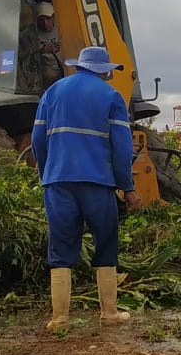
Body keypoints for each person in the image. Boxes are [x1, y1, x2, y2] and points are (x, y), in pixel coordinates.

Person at [31, 46, 141, 331]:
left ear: (79, 65)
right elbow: (122, 147)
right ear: (104, 70)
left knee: (61, 246)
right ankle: (109, 313)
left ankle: (60, 319)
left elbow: (37, 141)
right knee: (105, 243)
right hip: (97, 183)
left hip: (58, 182)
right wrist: (127, 187)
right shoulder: (110, 96)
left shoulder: (52, 92)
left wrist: (48, 173)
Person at [34, 2, 64, 88]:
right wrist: (42, 50)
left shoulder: (62, 27)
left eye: (48, 18)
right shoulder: (33, 34)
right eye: (41, 20)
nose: (45, 23)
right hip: (49, 70)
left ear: (53, 17)